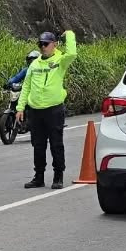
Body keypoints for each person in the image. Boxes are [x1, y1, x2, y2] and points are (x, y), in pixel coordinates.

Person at [16, 29, 77, 189]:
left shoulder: (60, 61)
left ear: (54, 45)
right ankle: (39, 177)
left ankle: (58, 176)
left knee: (56, 144)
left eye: (46, 44)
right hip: (35, 111)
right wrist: (20, 107)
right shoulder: (34, 64)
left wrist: (69, 35)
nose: (43, 47)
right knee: (38, 145)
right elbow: (26, 86)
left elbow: (72, 54)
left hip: (54, 110)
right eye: (40, 44)